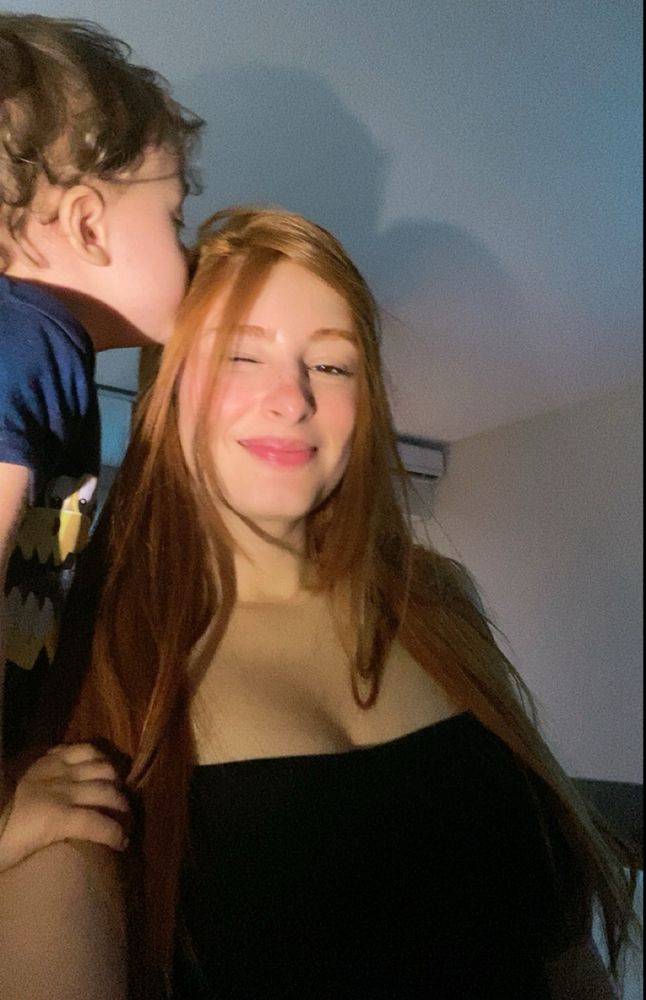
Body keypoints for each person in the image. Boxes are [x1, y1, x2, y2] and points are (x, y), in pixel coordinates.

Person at [32, 206, 636, 999]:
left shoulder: (441, 602)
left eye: (331, 364)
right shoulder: (90, 656)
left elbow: (563, 949)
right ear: (164, 390)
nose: (292, 399)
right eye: (240, 354)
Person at [0, 14, 203, 872]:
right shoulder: (30, 340)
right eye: (174, 218)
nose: (188, 250)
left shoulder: (44, 351)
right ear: (88, 225)